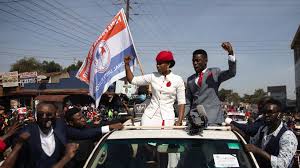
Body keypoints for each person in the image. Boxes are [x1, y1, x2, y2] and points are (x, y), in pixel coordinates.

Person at [124, 51, 186, 126]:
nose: (157, 65)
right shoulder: (153, 76)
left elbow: (181, 102)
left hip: (168, 118)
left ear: (168, 64)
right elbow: (132, 80)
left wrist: (180, 120)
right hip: (149, 117)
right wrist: (127, 64)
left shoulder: (178, 79)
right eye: (157, 63)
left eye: (160, 63)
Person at [185, 42, 236, 125]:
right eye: (193, 61)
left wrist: (230, 53)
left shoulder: (214, 72)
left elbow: (231, 73)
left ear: (206, 61)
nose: (195, 63)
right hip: (195, 121)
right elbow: (188, 103)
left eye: (198, 60)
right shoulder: (190, 79)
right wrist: (182, 118)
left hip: (213, 120)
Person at [245, 98, 298, 168]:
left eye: (270, 112)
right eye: (264, 113)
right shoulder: (263, 129)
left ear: (279, 115)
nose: (266, 115)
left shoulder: (287, 136)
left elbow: (282, 164)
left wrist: (259, 151)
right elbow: (251, 143)